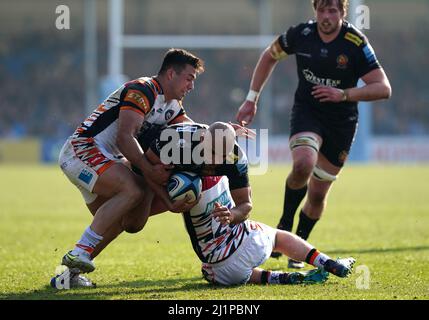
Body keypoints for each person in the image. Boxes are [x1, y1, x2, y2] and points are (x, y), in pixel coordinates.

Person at [236, 0, 392, 267]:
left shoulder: (355, 42)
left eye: (332, 11)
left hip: (341, 123)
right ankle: (285, 221)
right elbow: (269, 55)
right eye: (322, 10)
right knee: (303, 163)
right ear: (315, 11)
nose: (326, 16)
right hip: (307, 112)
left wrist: (344, 94)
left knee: (318, 194)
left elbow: (383, 88)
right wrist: (252, 98)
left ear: (342, 12)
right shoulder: (301, 34)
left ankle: (299, 244)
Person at [56, 48, 204, 286]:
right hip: (82, 149)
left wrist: (224, 133)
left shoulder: (173, 106)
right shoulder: (142, 89)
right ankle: (79, 252)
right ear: (170, 74)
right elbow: (126, 137)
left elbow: (192, 131)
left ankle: (66, 278)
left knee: (128, 222)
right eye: (189, 78)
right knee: (132, 190)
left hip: (108, 159)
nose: (191, 86)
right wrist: (148, 168)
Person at [143, 122, 355, 286]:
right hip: (251, 243)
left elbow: (245, 205)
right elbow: (145, 164)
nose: (215, 162)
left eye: (220, 156)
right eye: (211, 154)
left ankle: (281, 277)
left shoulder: (233, 158)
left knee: (212, 270)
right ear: (201, 140)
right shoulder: (179, 143)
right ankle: (326, 263)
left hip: (220, 269)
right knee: (276, 236)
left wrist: (232, 215)